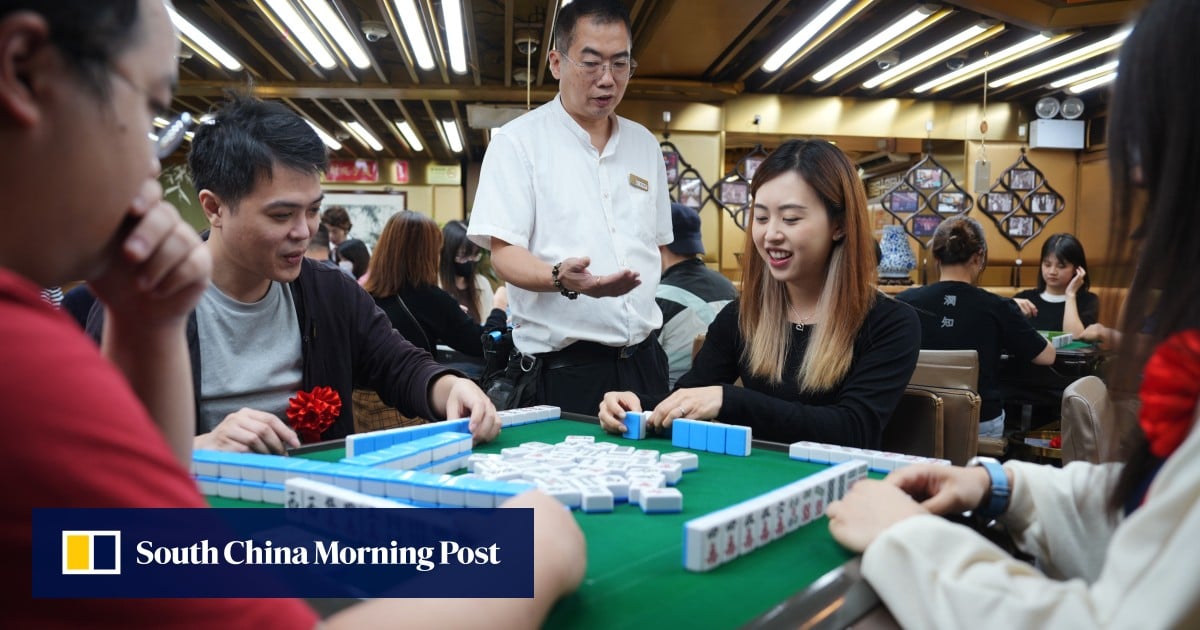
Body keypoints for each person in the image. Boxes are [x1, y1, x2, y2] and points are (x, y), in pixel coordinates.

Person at [0, 1, 584, 626]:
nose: (149, 166)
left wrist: (446, 384)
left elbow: (119, 544)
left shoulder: (309, 293)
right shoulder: (27, 356)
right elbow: (128, 550)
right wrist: (530, 550)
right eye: (146, 110)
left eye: (312, 211)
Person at [827, 2, 1200, 626]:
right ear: (978, 257)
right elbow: (1158, 515)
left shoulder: (900, 308)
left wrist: (908, 540)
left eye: (1155, 143)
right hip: (989, 426)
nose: (1134, 172)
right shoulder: (998, 309)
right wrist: (1000, 483)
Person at [89, 95, 500, 454]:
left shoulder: (330, 292)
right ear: (214, 208)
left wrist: (450, 388)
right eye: (281, 215)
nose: (304, 232)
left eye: (313, 210)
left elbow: (400, 365)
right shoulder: (141, 303)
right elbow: (95, 446)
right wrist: (198, 447)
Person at [599, 139, 921, 447]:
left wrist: (729, 400)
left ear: (839, 225)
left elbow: (853, 430)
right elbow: (687, 398)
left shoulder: (890, 323)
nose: (771, 235)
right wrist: (635, 404)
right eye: (762, 217)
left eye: (791, 219)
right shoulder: (741, 316)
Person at [467, 0, 673, 415]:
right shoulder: (518, 142)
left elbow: (657, 246)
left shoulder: (644, 144)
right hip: (566, 371)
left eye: (620, 64)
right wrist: (561, 278)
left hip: (646, 363)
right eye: (592, 63)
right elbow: (504, 255)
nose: (607, 79)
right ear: (557, 62)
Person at [897, 216, 1055, 438]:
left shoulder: (905, 302)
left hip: (915, 418)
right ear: (979, 256)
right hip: (978, 421)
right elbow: (1047, 356)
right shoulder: (997, 307)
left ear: (936, 255)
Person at [364, 211, 508, 360]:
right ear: (427, 254)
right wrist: (499, 307)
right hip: (413, 381)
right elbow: (483, 344)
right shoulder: (430, 299)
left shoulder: (364, 296)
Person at [656, 203, 737, 387]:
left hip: (670, 398)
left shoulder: (659, 298)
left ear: (659, 244)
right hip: (724, 398)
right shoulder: (728, 286)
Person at [1012, 233, 1100, 337]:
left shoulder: (1088, 301)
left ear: (1077, 269)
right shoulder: (1024, 298)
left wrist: (1070, 295)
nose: (1052, 271)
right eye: (1047, 264)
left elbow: (1075, 339)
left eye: (1061, 266)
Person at [440, 219, 496, 323]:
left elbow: (489, 324)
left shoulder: (481, 283)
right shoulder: (433, 286)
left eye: (475, 255)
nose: (471, 261)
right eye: (463, 255)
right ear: (447, 254)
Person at [321, 205, 369, 278]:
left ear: (345, 229)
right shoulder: (328, 250)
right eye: (327, 231)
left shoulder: (360, 249)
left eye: (335, 231)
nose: (330, 236)